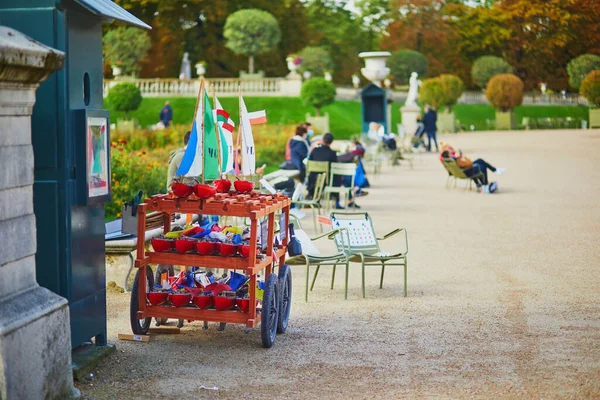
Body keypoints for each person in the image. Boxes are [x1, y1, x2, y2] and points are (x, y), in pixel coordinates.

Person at [308, 133, 360, 209]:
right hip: (327, 180)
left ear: (322, 140)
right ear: (331, 142)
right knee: (339, 177)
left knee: (339, 177)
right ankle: (339, 202)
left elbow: (310, 161)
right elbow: (334, 166)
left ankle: (315, 199)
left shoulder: (315, 150)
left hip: (313, 179)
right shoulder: (332, 153)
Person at [439, 141, 506, 193]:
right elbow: (469, 163)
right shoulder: (456, 161)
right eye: (450, 153)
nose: (452, 153)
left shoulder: (448, 161)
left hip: (462, 171)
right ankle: (484, 184)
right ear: (449, 155)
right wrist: (462, 157)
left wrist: (457, 157)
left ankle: (495, 170)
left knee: (480, 160)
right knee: (482, 167)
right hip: (466, 172)